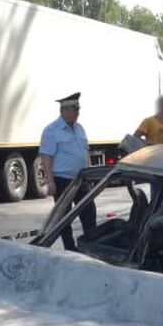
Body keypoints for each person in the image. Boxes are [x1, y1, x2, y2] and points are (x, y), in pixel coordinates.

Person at [40, 92, 94, 251]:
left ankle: (90, 247)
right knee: (64, 218)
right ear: (64, 111)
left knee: (89, 213)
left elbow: (85, 152)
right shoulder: (52, 130)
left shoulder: (80, 129)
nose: (78, 112)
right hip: (63, 180)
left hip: (82, 179)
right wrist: (50, 182)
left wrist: (90, 174)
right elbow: (46, 158)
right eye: (74, 109)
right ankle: (70, 249)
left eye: (78, 109)